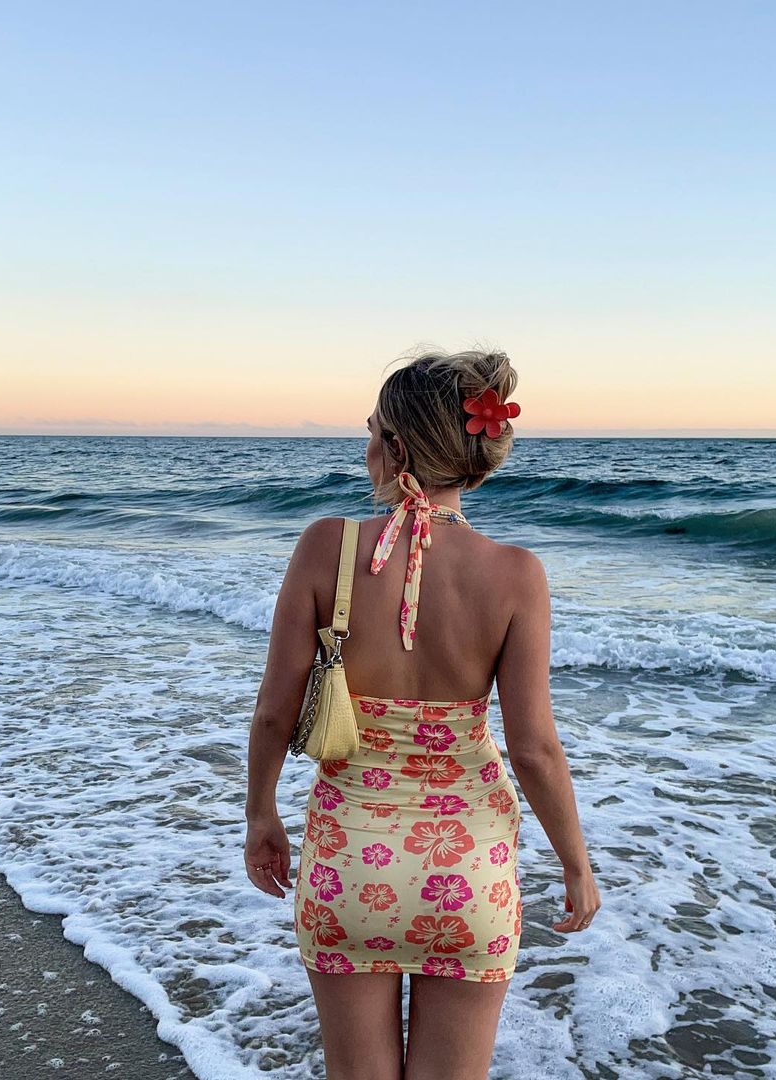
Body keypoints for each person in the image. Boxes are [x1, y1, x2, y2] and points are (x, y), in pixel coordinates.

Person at [245, 347, 600, 1080]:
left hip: (349, 862)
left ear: (398, 448)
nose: (366, 448)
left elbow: (275, 714)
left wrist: (261, 815)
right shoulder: (517, 574)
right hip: (468, 870)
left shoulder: (327, 546)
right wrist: (576, 864)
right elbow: (533, 747)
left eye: (373, 432)